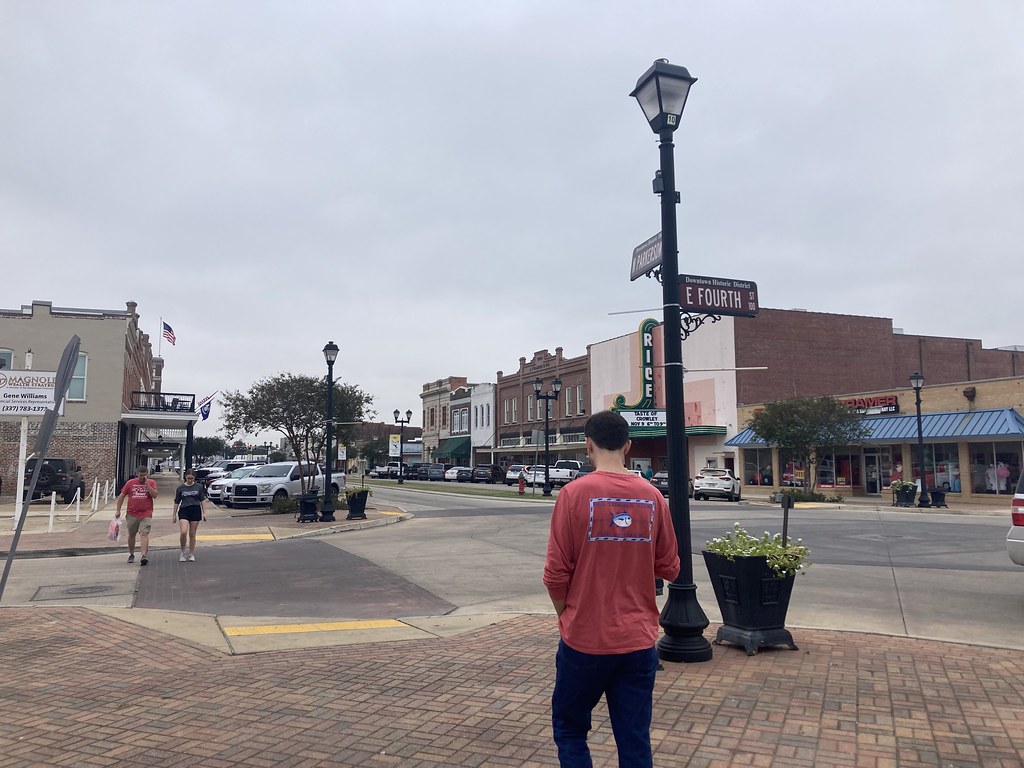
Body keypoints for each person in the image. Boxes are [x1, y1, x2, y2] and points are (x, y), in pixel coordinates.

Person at [543, 410, 680, 767]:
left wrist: (566, 613)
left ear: (588, 445)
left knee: (570, 730)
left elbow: (555, 574)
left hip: (584, 640)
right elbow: (670, 567)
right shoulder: (653, 497)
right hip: (637, 640)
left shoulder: (573, 494)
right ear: (628, 446)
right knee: (634, 739)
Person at [115, 466, 158, 565]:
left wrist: (147, 485)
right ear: (137, 474)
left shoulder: (151, 482)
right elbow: (121, 496)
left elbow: (154, 495)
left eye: (144, 475)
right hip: (132, 513)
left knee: (144, 533)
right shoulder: (130, 483)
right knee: (132, 534)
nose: (142, 477)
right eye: (140, 475)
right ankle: (131, 553)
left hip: (146, 513)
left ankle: (143, 556)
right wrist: (118, 510)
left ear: (147, 474)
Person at [172, 470, 207, 562]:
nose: (190, 480)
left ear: (194, 478)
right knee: (183, 532)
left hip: (195, 509)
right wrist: (174, 515)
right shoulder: (180, 488)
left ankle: (191, 553)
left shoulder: (199, 487)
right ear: (185, 477)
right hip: (184, 509)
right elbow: (176, 501)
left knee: (192, 533)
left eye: (192, 478)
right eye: (188, 478)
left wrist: (204, 513)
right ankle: (183, 551)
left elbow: (202, 500)